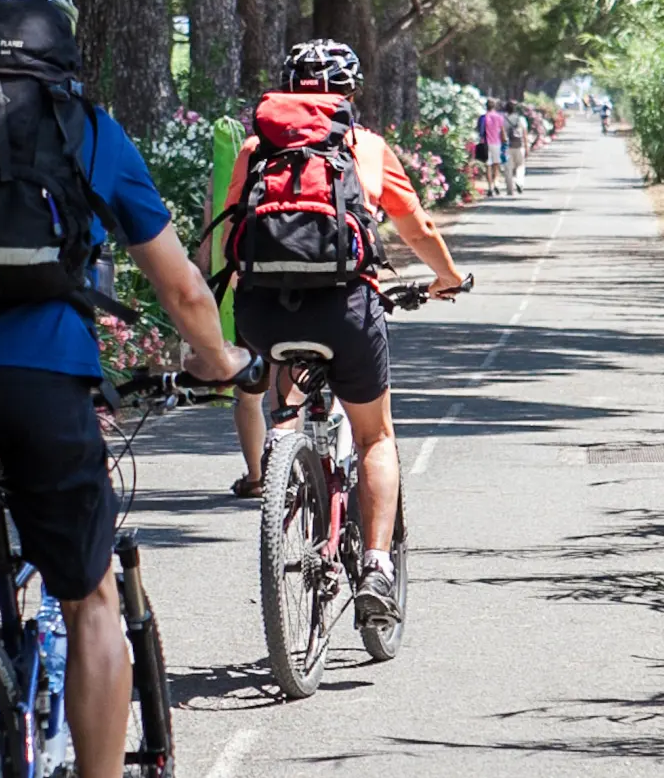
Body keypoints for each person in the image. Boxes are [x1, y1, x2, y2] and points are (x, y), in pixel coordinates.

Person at [0, 0, 252, 778]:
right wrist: (219, 362)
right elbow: (182, 286)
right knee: (92, 603)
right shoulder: (88, 129)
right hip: (38, 382)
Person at [219, 39, 467, 624]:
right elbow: (417, 226)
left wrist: (230, 304)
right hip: (345, 310)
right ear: (349, 92)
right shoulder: (365, 146)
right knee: (376, 436)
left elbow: (227, 234)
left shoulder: (257, 146)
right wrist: (448, 277)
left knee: (285, 394)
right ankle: (377, 565)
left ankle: (285, 467)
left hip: (263, 312)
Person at [477, 98, 507, 197]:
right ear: (494, 106)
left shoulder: (482, 118)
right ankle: (496, 183)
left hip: (485, 144)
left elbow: (479, 132)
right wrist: (504, 141)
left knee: (488, 166)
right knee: (496, 165)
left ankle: (490, 187)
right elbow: (502, 131)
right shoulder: (499, 117)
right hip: (496, 143)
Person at [503, 98, 529, 194]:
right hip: (519, 145)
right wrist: (526, 147)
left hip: (507, 146)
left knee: (508, 168)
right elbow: (525, 134)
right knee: (520, 166)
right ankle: (519, 182)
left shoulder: (503, 120)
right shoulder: (521, 119)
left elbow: (501, 133)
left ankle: (510, 190)